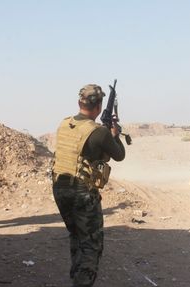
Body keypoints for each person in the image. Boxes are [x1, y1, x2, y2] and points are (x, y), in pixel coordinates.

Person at [52, 84, 125, 287]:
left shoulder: (65, 124)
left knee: (76, 235)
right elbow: (119, 155)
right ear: (99, 106)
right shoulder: (99, 132)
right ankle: (82, 282)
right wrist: (114, 134)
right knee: (91, 244)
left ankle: (77, 277)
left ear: (79, 103)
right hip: (82, 192)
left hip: (60, 188)